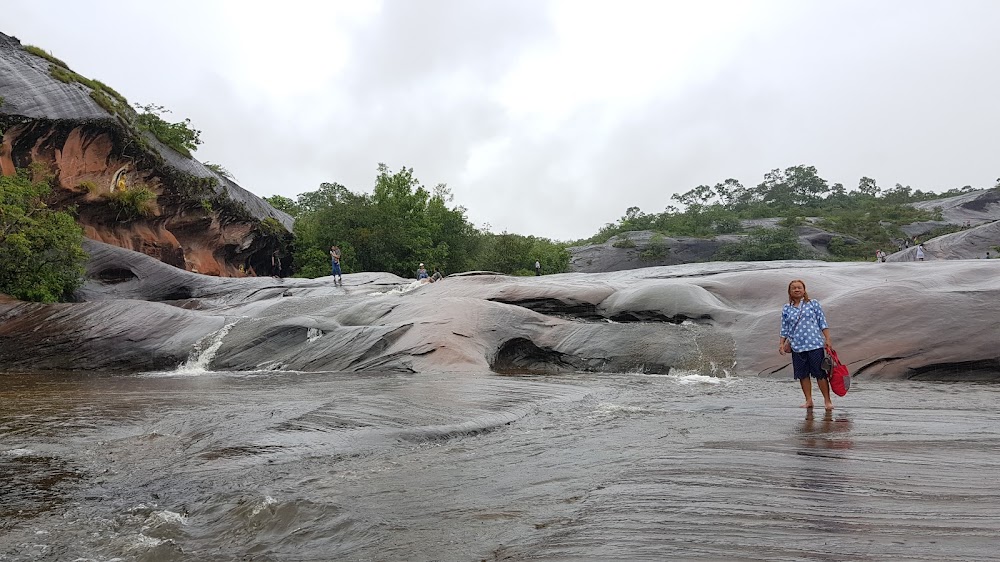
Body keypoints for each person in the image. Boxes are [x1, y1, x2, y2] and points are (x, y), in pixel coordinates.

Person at [778, 279, 834, 410]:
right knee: (802, 375)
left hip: (814, 344)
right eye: (794, 288)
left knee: (820, 373)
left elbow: (822, 322)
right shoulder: (787, 308)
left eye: (799, 288)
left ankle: (827, 401)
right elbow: (784, 327)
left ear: (804, 290)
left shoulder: (813, 303)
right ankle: (809, 400)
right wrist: (781, 343)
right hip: (797, 346)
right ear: (790, 292)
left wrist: (828, 339)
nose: (797, 290)